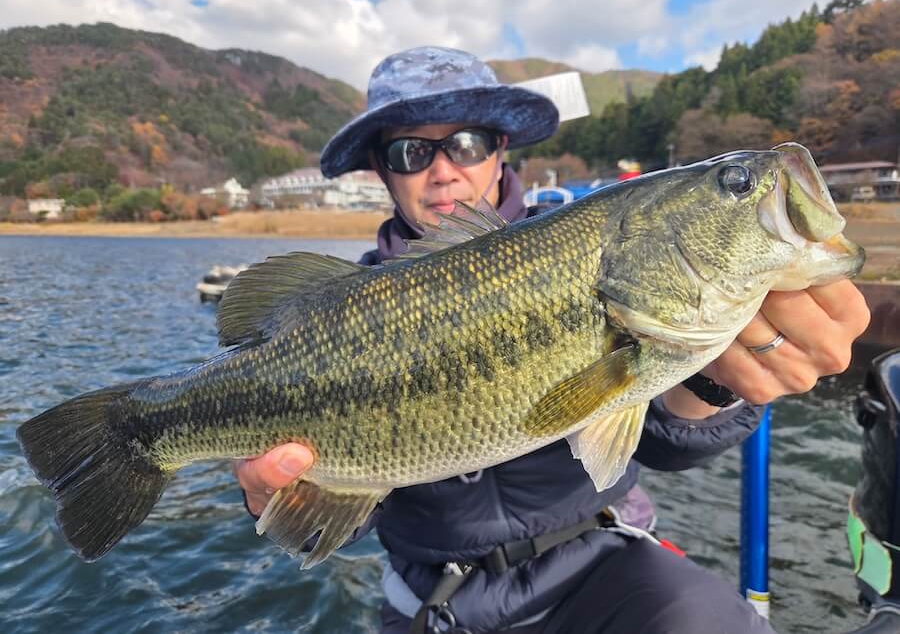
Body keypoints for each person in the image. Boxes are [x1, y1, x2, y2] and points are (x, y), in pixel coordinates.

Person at [234, 46, 871, 633]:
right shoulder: (330, 314)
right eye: (410, 152)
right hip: (431, 597)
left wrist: (713, 377)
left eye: (465, 141)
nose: (443, 170)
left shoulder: (592, 252)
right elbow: (346, 516)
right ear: (382, 170)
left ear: (500, 147)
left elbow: (666, 444)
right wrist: (279, 491)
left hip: (603, 562)